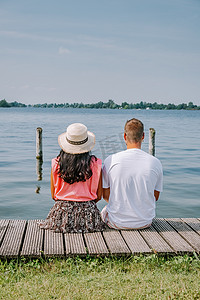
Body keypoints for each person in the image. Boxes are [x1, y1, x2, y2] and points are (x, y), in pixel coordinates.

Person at [39, 123, 105, 233]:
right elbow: (99, 196)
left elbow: (54, 196)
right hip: (88, 217)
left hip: (61, 216)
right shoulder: (96, 164)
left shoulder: (56, 163)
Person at [101, 118, 163, 229]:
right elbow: (155, 196)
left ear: (124, 136)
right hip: (144, 223)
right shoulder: (155, 162)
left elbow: (105, 195)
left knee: (105, 210)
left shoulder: (110, 160)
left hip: (116, 222)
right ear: (143, 136)